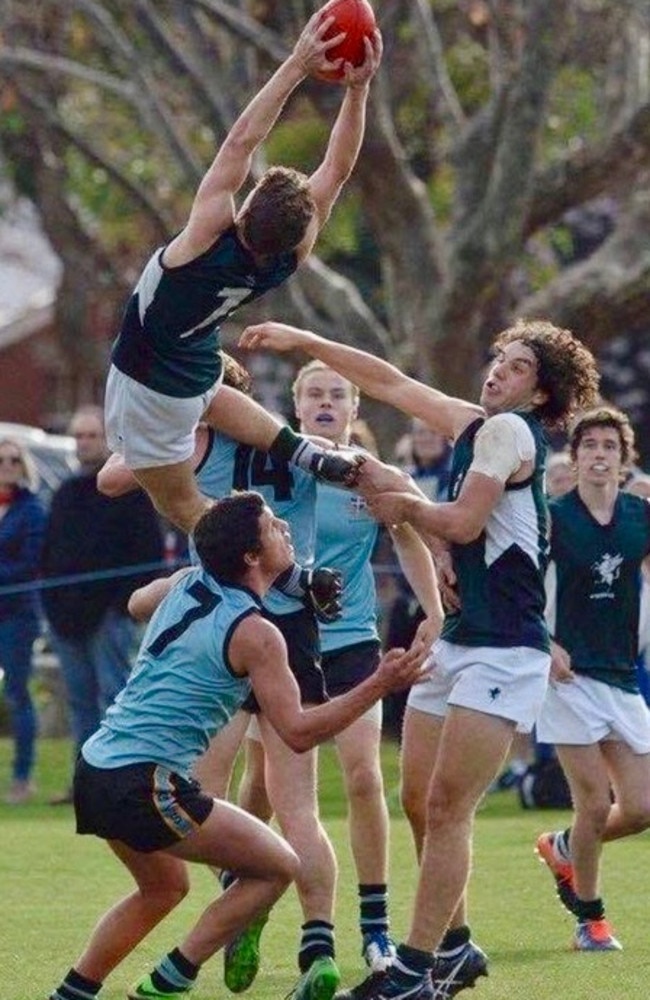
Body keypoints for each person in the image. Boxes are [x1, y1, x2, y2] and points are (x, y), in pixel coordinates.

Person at [238, 317, 600, 999]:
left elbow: (461, 522)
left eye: (519, 367)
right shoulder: (474, 422)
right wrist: (307, 341)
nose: (499, 371)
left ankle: (411, 971)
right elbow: (388, 380)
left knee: (446, 807)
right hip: (461, 639)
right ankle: (456, 947)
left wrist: (401, 500)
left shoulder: (509, 433)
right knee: (415, 798)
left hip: (504, 649)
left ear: (541, 394)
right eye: (500, 358)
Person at [47, 492, 429, 1000]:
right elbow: (296, 731)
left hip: (96, 768)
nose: (286, 531)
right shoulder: (258, 633)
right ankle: (168, 982)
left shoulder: (188, 583)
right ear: (251, 557)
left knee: (164, 889)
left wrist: (172, 582)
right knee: (277, 867)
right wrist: (379, 685)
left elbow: (138, 603)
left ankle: (72, 993)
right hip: (143, 782)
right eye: (274, 527)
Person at [104, 11, 383, 534]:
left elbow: (239, 144)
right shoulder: (291, 257)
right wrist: (359, 91)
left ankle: (279, 564)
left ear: (248, 203)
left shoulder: (208, 233)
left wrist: (298, 64)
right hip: (196, 360)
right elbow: (338, 170)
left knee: (183, 508)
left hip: (148, 383)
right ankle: (304, 452)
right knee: (215, 396)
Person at [534, 406, 650, 952]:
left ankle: (563, 848)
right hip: (568, 676)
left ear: (624, 460)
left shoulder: (640, 516)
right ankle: (591, 919)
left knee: (644, 807)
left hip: (623, 675)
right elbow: (519, 587)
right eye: (590, 446)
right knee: (594, 804)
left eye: (610, 446)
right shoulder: (551, 516)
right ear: (575, 457)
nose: (600, 455)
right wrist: (544, 641)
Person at [41, 405, 164, 805]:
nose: (83, 443)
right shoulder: (66, 494)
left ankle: (118, 783)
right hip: (65, 619)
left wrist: (119, 607)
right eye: (78, 436)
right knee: (80, 702)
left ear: (107, 440)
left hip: (109, 618)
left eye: (91, 436)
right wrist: (53, 608)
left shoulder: (132, 494)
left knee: (113, 697)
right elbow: (50, 555)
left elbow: (147, 556)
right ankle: (85, 783)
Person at [0, 436, 46, 804]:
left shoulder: (31, 510)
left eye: (14, 459)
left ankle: (22, 777)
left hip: (17, 616)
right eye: (1, 459)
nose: (7, 465)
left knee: (17, 694)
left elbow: (30, 563)